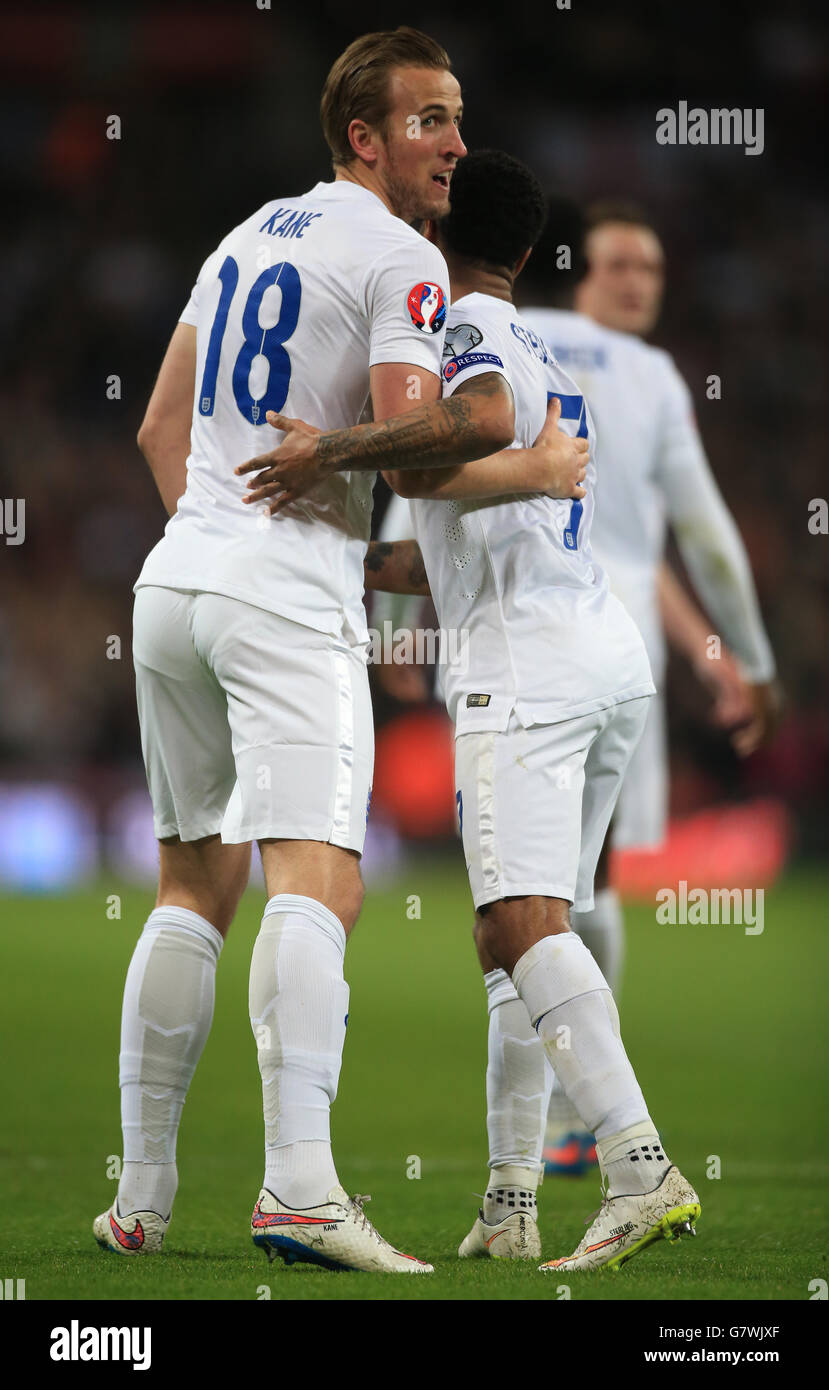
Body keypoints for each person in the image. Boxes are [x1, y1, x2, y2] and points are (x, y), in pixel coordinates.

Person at [92, 26, 558, 1276]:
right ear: (365, 136)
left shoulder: (244, 235)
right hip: (280, 599)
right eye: (430, 121)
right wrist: (512, 464)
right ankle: (298, 1187)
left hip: (175, 585)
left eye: (458, 119)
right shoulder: (400, 253)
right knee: (319, 879)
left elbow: (156, 424)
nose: (457, 144)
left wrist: (221, 534)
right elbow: (422, 436)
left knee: (193, 885)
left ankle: (139, 1198)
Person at [359, 149, 703, 1272]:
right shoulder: (543, 341)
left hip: (529, 672)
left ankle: (637, 1166)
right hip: (596, 656)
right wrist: (350, 562)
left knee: (517, 925)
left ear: (452, 226)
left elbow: (477, 422)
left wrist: (355, 456)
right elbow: (476, 518)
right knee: (521, 932)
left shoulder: (465, 329)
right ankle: (512, 1199)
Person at [521, 202, 780, 1172]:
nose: (638, 281)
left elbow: (645, 548)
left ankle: (559, 1125)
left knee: (546, 883)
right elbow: (701, 531)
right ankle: (578, 1114)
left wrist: (718, 657)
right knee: (578, 883)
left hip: (537, 621)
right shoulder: (648, 374)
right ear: (576, 268)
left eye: (653, 270)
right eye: (620, 262)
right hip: (602, 634)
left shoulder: (518, 336)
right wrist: (749, 658)